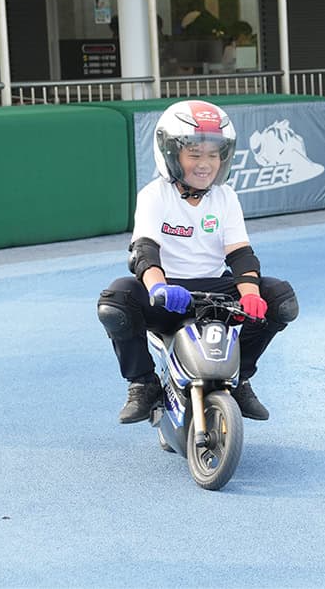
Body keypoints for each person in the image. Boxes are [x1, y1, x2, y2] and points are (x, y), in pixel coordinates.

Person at [96, 99, 298, 424]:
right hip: (166, 295)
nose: (205, 164)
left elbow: (240, 254)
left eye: (213, 155)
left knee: (281, 299)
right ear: (172, 155)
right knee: (115, 302)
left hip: (215, 292)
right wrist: (160, 287)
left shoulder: (225, 197)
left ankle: (240, 377)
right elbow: (144, 250)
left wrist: (250, 294)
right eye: (195, 155)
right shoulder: (154, 195)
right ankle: (143, 384)